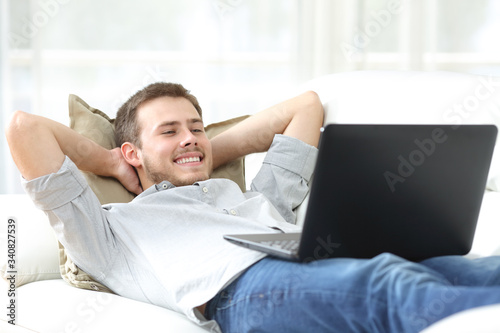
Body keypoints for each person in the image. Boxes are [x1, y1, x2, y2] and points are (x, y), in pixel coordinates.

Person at [5, 82, 500, 333]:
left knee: (474, 269)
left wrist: (203, 150)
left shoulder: (253, 199)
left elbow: (305, 106)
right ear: (133, 151)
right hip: (243, 290)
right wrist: (110, 160)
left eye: (195, 125)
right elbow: (25, 129)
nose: (190, 137)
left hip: (324, 257)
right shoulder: (109, 229)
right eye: (169, 130)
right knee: (391, 285)